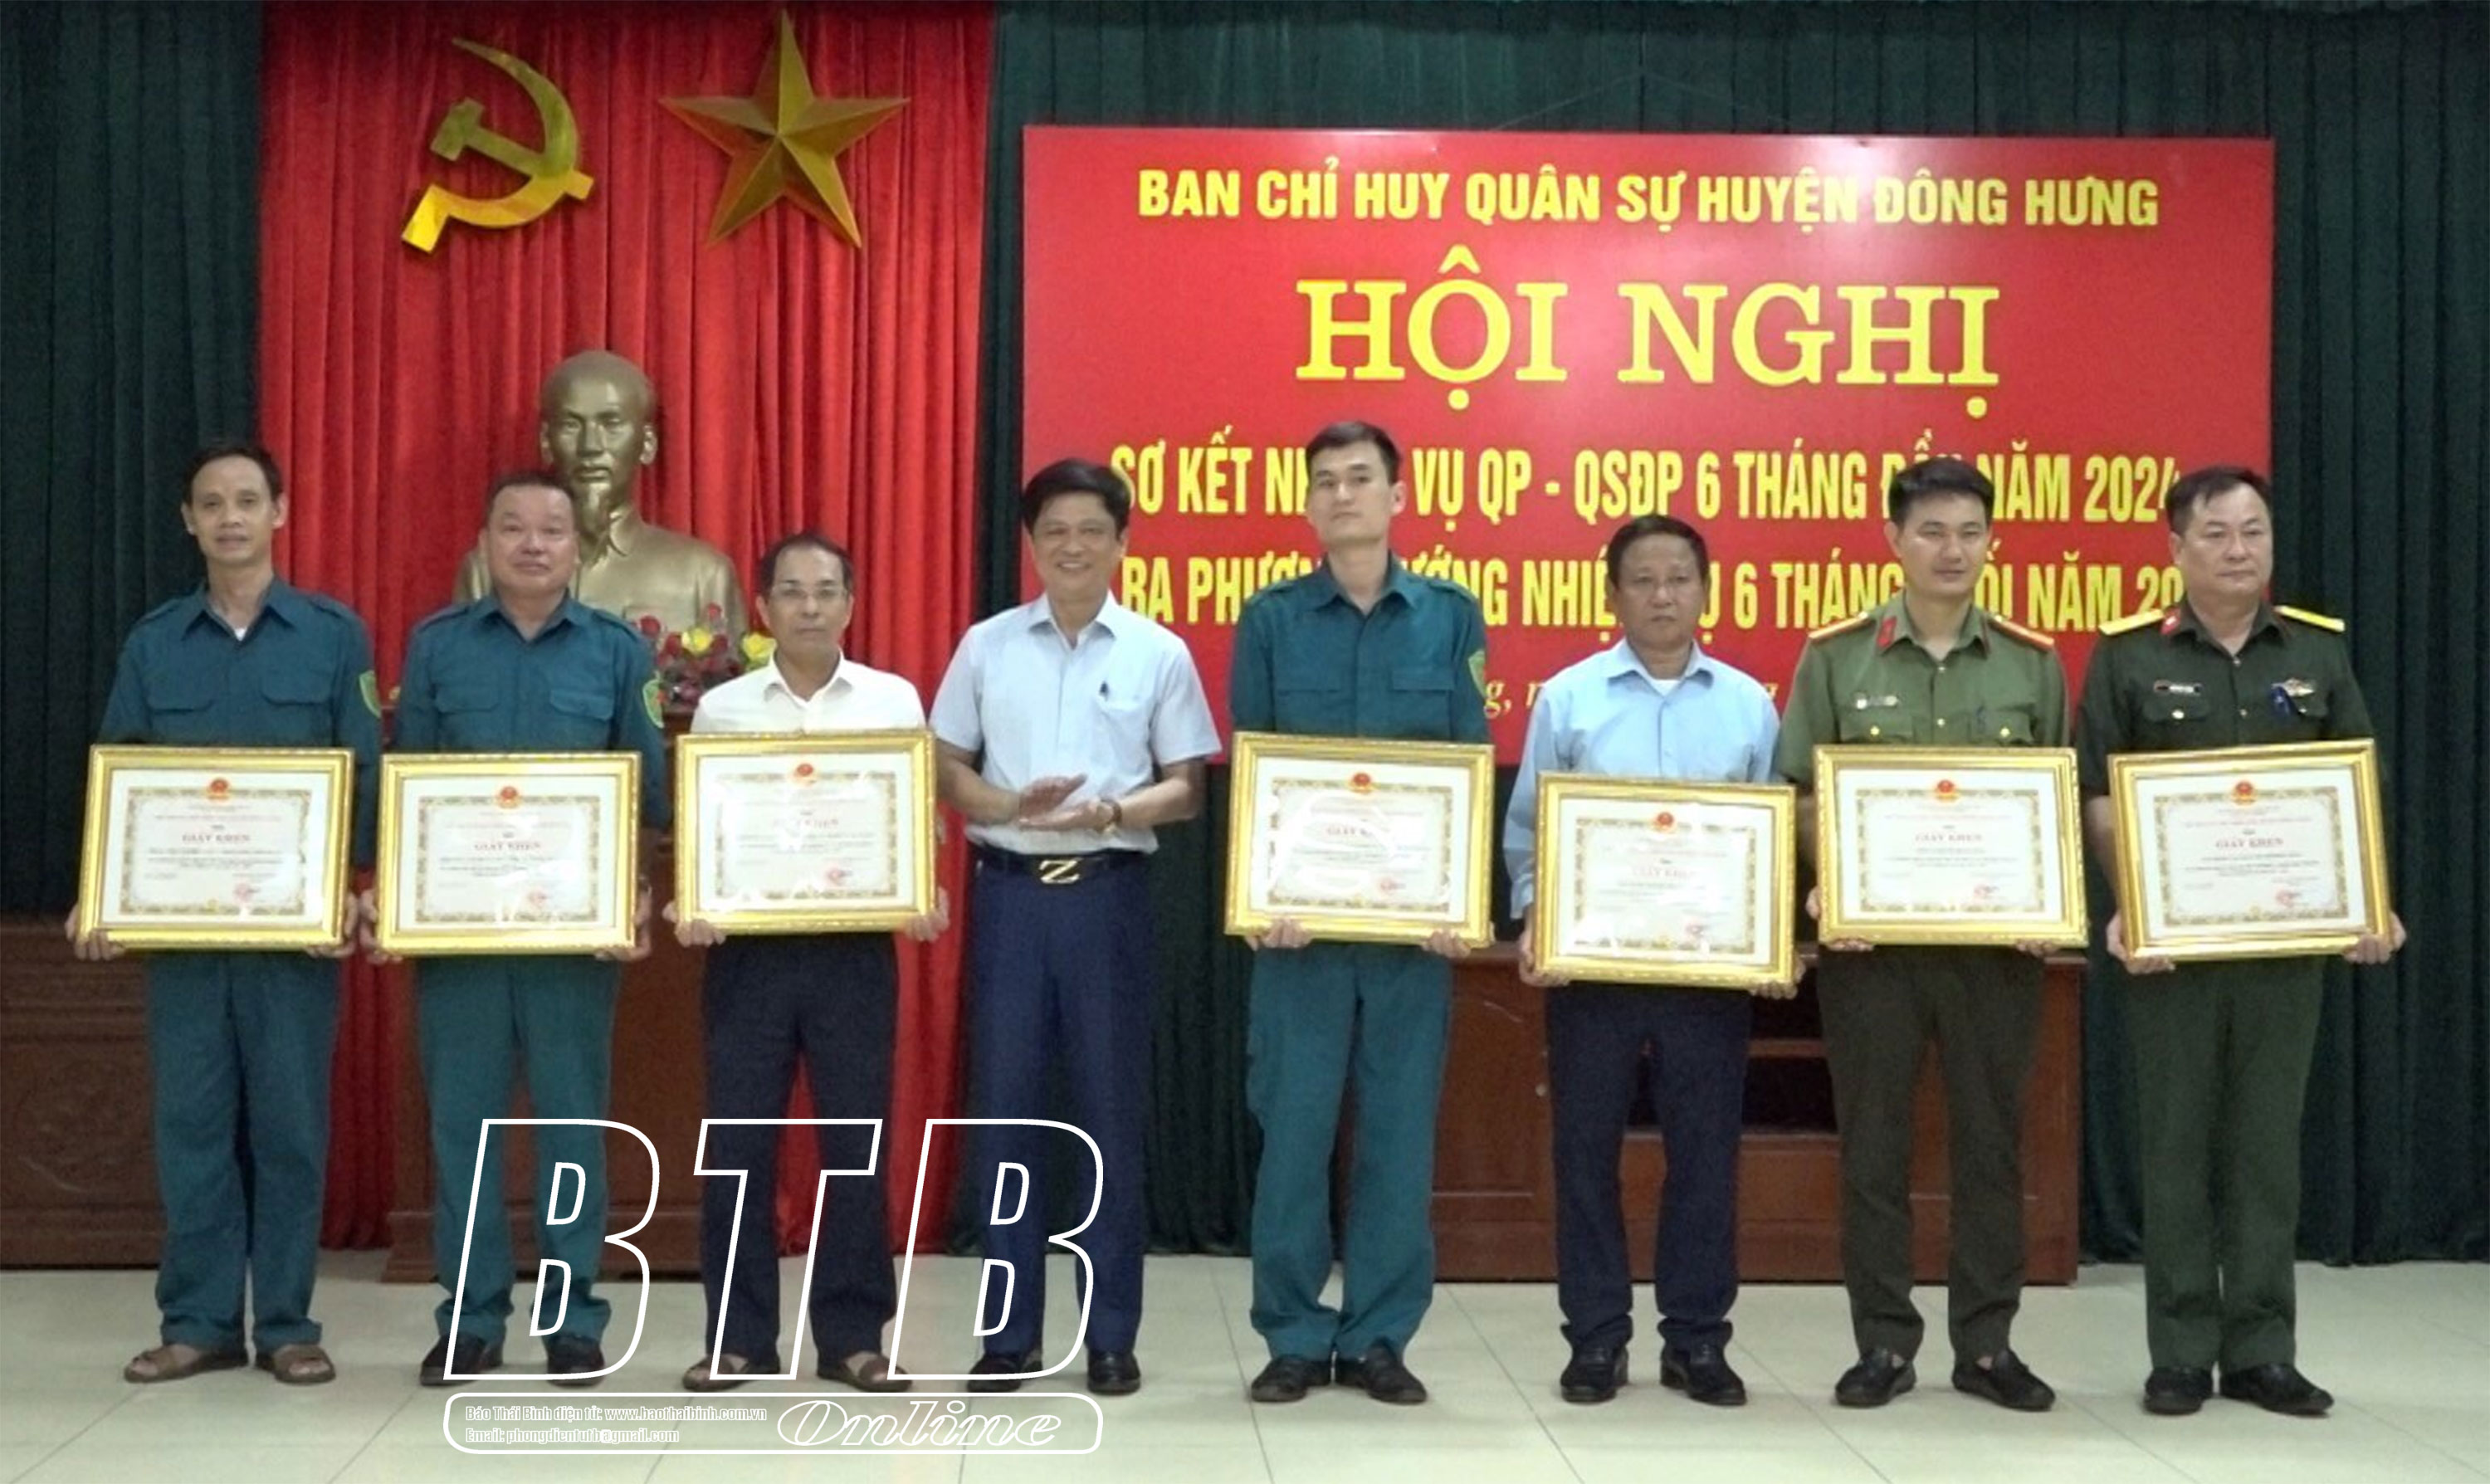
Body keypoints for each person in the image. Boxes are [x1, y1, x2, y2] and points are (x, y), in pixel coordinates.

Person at [2077, 465, 2405, 1418]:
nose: (2237, 550)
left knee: (2265, 1149)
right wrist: (2133, 904)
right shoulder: (2129, 657)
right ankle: (2181, 1351)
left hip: (2283, 950)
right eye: (2215, 533)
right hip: (2172, 953)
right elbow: (2100, 795)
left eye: (2253, 531)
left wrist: (2371, 902)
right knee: (2176, 1147)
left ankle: (2262, 1349)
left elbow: (2357, 784)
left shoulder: (2317, 653)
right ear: (2176, 548)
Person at [71, 441, 380, 1387]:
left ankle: (286, 1323)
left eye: (248, 500)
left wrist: (353, 887)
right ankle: (199, 1321)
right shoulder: (154, 642)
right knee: (194, 1127)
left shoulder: (334, 636)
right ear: (189, 521)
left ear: (279, 512)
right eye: (212, 504)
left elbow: (365, 771)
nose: (231, 518)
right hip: (188, 937)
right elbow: (119, 773)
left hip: (294, 937)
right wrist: (101, 891)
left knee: (289, 1130)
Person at [1774, 456, 2068, 1412]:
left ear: (1992, 542)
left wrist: (2047, 898)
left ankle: (1987, 1345)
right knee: (1874, 1149)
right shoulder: (1837, 657)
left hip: (1995, 955)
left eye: (1970, 532)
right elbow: (1799, 795)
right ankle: (1883, 1344)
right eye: (1932, 531)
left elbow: (2054, 799)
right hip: (1874, 956)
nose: (1952, 550)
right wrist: (1834, 882)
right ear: (1893, 539)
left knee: (1992, 1150)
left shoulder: (2031, 663)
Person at [930, 458, 1218, 1397]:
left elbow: (1187, 787)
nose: (1073, 546)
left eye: (1093, 529)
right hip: (1011, 898)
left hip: (1108, 899)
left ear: (1122, 542)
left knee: (1108, 1117)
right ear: (1030, 543)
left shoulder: (1157, 653)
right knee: (1006, 1118)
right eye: (1054, 530)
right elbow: (945, 765)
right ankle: (1007, 1336)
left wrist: (1111, 813)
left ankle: (1110, 1335)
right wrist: (1010, 803)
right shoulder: (986, 647)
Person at [1230, 420, 1491, 1406]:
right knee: (1293, 1140)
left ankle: (1380, 1336)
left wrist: (1459, 901)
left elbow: (1467, 761)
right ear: (1308, 504)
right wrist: (1259, 898)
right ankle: (1294, 1336)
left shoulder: (1450, 618)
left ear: (1398, 495)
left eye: (1361, 478)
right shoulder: (1270, 620)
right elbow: (1252, 767)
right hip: (1299, 939)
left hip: (1407, 939)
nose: (1343, 495)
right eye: (1326, 482)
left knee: (1397, 1141)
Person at [390, 468, 668, 1388]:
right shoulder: (436, 647)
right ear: (485, 543)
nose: (534, 544)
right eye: (513, 527)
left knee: (571, 1129)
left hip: (570, 943)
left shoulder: (617, 653)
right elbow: (407, 787)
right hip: (463, 939)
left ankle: (571, 1320)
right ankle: (470, 1320)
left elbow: (645, 790)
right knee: (462, 1132)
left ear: (578, 547)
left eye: (552, 529)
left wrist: (629, 892)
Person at [1506, 515, 1784, 1407]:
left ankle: (1697, 1339)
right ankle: (1596, 1338)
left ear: (1706, 591)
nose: (1663, 596)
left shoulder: (1748, 705)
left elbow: (1772, 838)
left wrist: (1766, 935)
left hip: (1708, 974)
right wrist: (1536, 920)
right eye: (1644, 581)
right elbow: (1529, 830)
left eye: (1679, 580)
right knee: (1584, 1153)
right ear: (1614, 595)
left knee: (1704, 1156)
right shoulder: (1569, 699)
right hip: (1593, 969)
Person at [672, 532, 947, 1395]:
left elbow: (917, 822)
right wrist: (695, 899)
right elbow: (707, 832)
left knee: (856, 1144)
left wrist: (923, 889)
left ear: (850, 605)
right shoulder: (724, 712)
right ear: (762, 608)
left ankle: (854, 1336)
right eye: (791, 592)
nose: (809, 607)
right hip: (749, 954)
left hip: (853, 952)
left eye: (826, 591)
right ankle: (738, 1338)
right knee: (736, 1146)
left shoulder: (892, 701)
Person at [455, 349, 745, 637]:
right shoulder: (490, 570)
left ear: (647, 443)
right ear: (546, 442)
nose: (590, 446)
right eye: (571, 425)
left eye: (611, 424)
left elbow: (731, 667)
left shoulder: (703, 576)